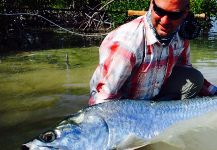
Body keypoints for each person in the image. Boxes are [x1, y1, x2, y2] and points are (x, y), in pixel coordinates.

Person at [89, 0, 217, 105]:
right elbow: (102, 100)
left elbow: (185, 71)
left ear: (185, 13)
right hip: (124, 107)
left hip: (154, 99)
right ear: (151, 4)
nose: (165, 21)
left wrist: (214, 93)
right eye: (160, 11)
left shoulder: (181, 35)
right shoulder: (126, 44)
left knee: (195, 78)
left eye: (174, 15)